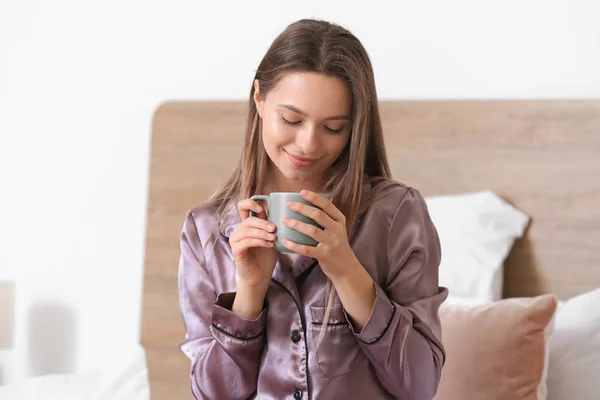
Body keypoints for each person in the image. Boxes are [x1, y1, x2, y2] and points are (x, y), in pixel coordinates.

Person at [178, 18, 448, 400]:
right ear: (259, 99)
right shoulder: (204, 230)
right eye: (291, 119)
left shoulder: (394, 216)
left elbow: (420, 386)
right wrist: (249, 294)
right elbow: (212, 395)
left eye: (333, 127)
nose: (308, 143)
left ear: (355, 126)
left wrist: (347, 270)